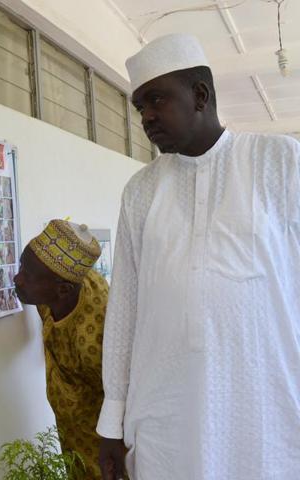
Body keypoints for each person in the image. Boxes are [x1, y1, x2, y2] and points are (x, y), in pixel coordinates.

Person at [97, 33, 300, 480]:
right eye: (139, 108)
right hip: (167, 416)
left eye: (156, 100)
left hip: (264, 411)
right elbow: (125, 308)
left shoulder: (280, 162)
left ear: (200, 96)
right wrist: (112, 421)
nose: (146, 117)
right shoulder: (141, 192)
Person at [13, 220, 107, 479]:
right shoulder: (59, 285)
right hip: (70, 434)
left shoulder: (95, 340)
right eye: (21, 266)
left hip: (99, 446)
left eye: (28, 276)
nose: (17, 278)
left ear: (63, 290)